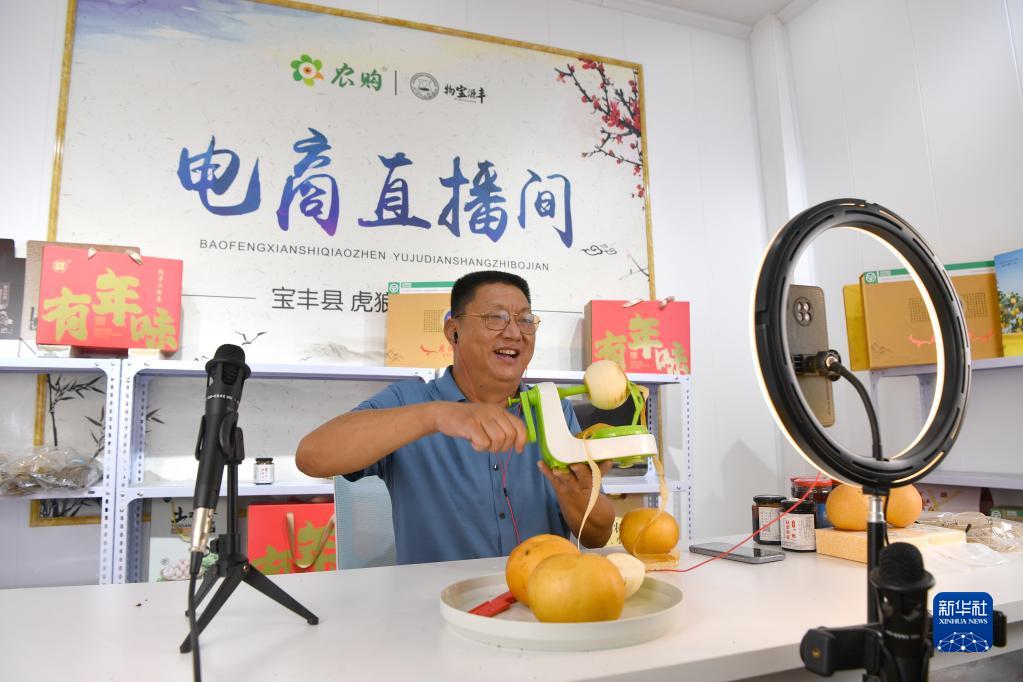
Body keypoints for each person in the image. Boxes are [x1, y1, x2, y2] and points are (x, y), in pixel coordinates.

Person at [296, 270, 614, 564]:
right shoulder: (411, 402)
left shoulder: (553, 409)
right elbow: (311, 457)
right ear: (454, 331)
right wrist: (435, 416)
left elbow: (596, 537)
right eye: (496, 318)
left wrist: (577, 495)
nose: (515, 333)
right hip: (435, 602)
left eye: (525, 320)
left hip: (541, 596)